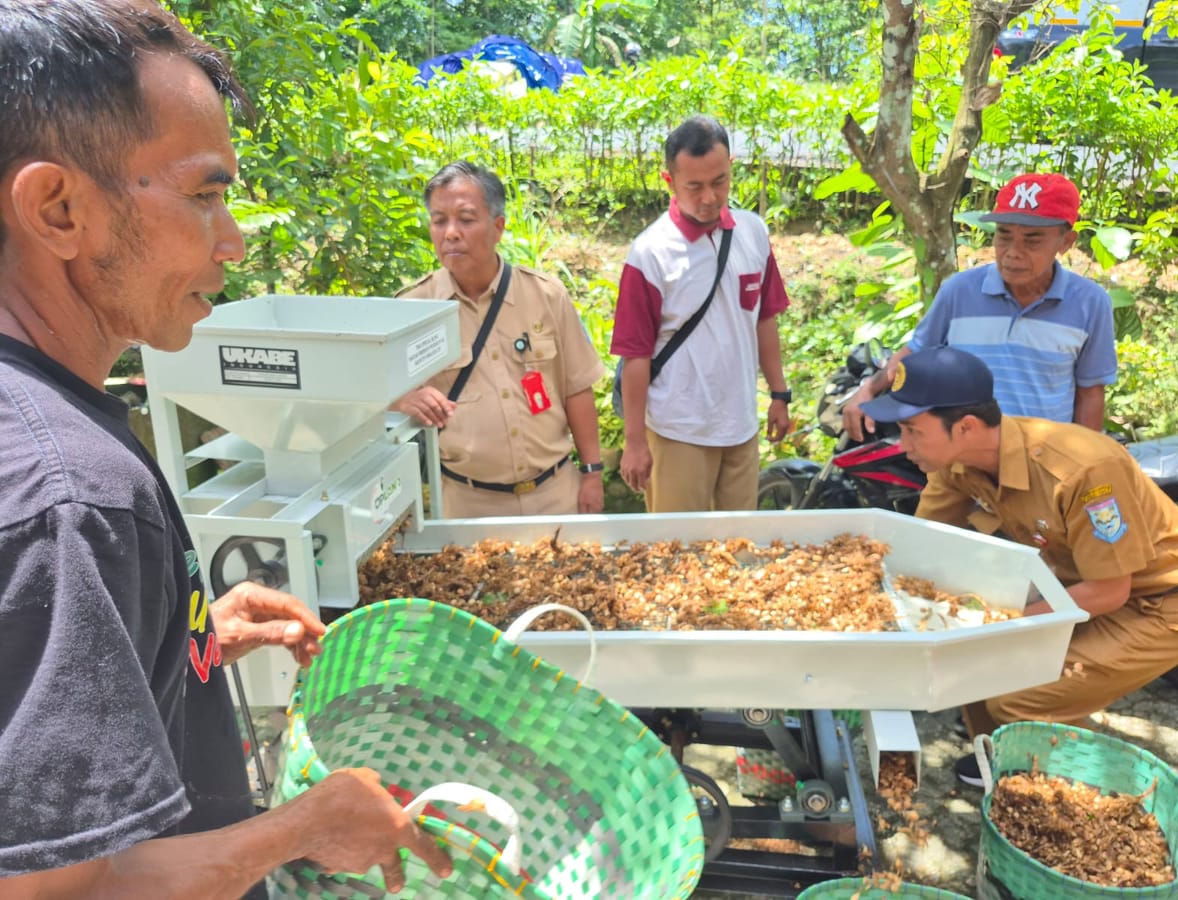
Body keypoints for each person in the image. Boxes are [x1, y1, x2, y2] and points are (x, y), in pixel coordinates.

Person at [0, 2, 451, 896]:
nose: (234, 242)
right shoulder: (72, 500)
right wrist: (304, 827)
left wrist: (183, 642)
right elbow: (64, 891)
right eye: (205, 195)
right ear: (58, 209)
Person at [860, 347, 1178, 786]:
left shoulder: (1083, 471)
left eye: (911, 430)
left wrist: (997, 623)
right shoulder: (957, 462)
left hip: (1166, 601)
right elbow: (923, 543)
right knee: (974, 662)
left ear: (965, 426)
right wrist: (863, 593)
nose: (902, 445)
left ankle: (1102, 790)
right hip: (1082, 584)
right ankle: (1008, 759)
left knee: (1020, 697)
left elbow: (1109, 591)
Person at [392, 162, 607, 518]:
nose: (450, 233)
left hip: (555, 494)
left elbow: (576, 389)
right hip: (467, 503)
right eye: (439, 220)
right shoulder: (413, 310)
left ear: (498, 227)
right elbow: (376, 400)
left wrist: (593, 474)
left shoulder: (546, 296)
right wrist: (403, 400)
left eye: (466, 219)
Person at [844, 173, 1118, 441]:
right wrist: (868, 389)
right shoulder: (959, 291)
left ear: (1066, 242)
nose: (1013, 251)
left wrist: (1084, 463)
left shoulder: (1090, 303)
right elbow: (915, 353)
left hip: (1040, 465)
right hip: (962, 463)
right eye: (1004, 235)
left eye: (1032, 240)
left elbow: (1090, 393)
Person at [611, 116, 792, 512]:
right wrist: (635, 441)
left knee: (737, 548)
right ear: (669, 181)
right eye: (694, 186)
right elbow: (635, 355)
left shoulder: (753, 233)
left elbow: (765, 318)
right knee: (678, 552)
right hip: (678, 430)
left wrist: (779, 394)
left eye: (720, 182)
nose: (709, 197)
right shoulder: (650, 253)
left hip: (740, 427)